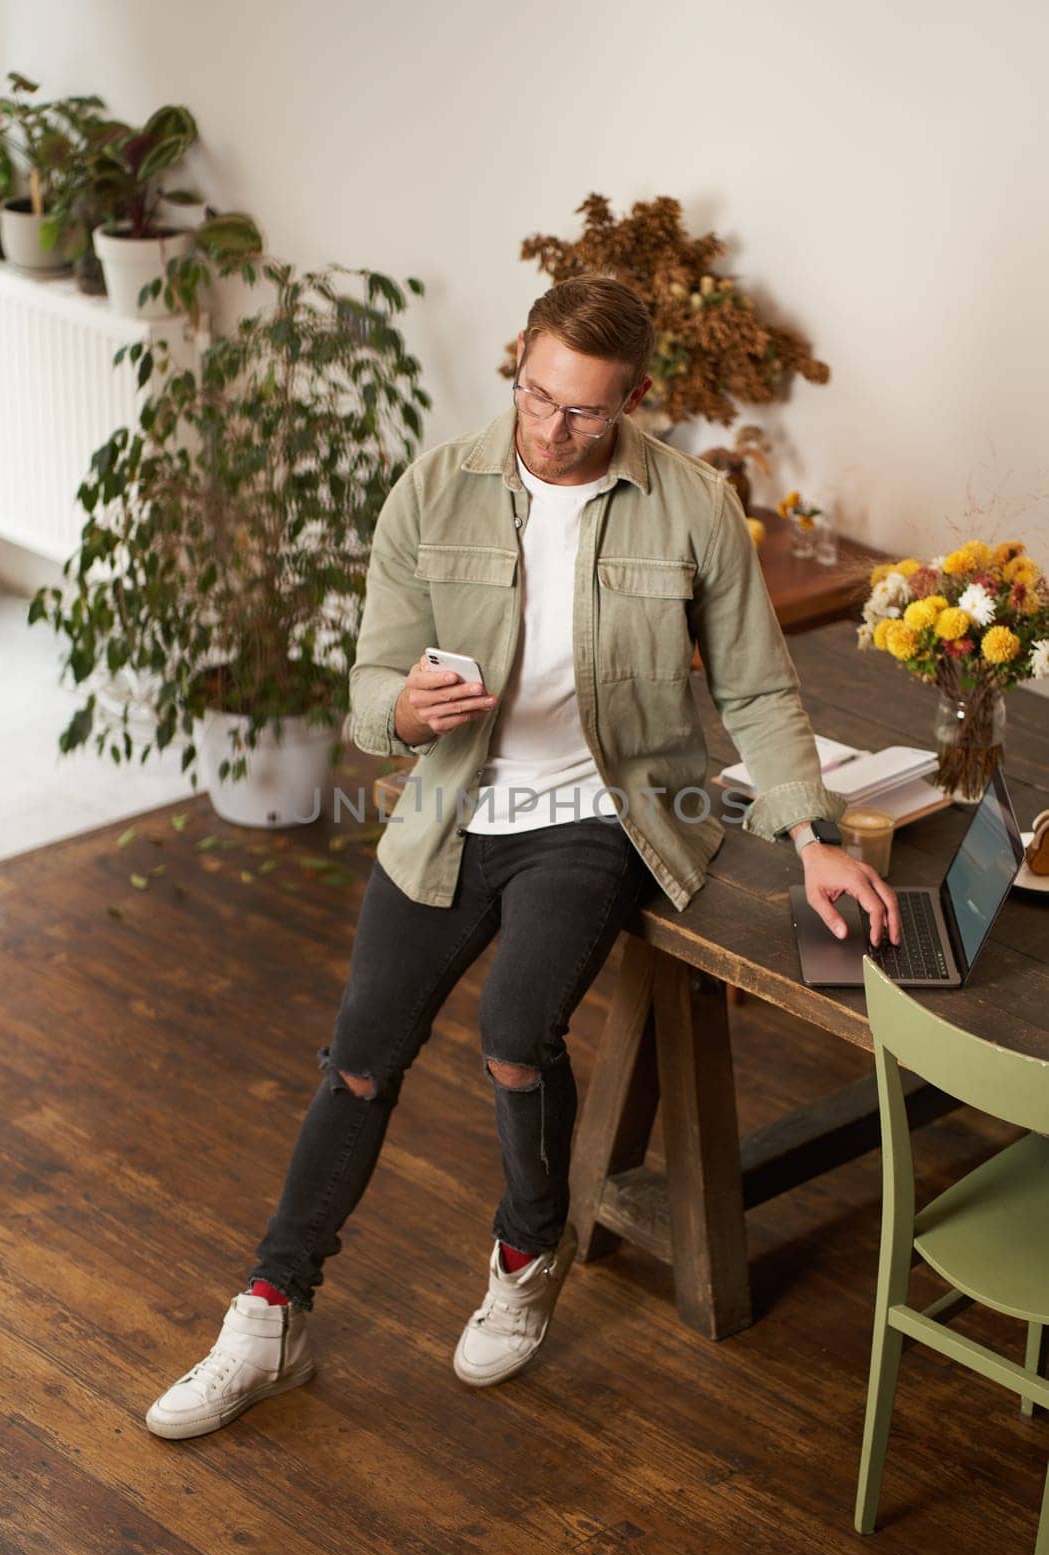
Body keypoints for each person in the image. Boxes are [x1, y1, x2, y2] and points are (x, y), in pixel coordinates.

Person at [146, 274, 899, 1440]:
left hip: (599, 813)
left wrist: (811, 837)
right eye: (535, 394)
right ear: (518, 365)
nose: (550, 428)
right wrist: (405, 712)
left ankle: (526, 1248)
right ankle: (270, 1312)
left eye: (584, 412)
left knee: (512, 1033)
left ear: (635, 400)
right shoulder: (433, 487)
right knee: (356, 1057)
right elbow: (364, 689)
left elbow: (754, 687)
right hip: (449, 809)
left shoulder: (692, 504)